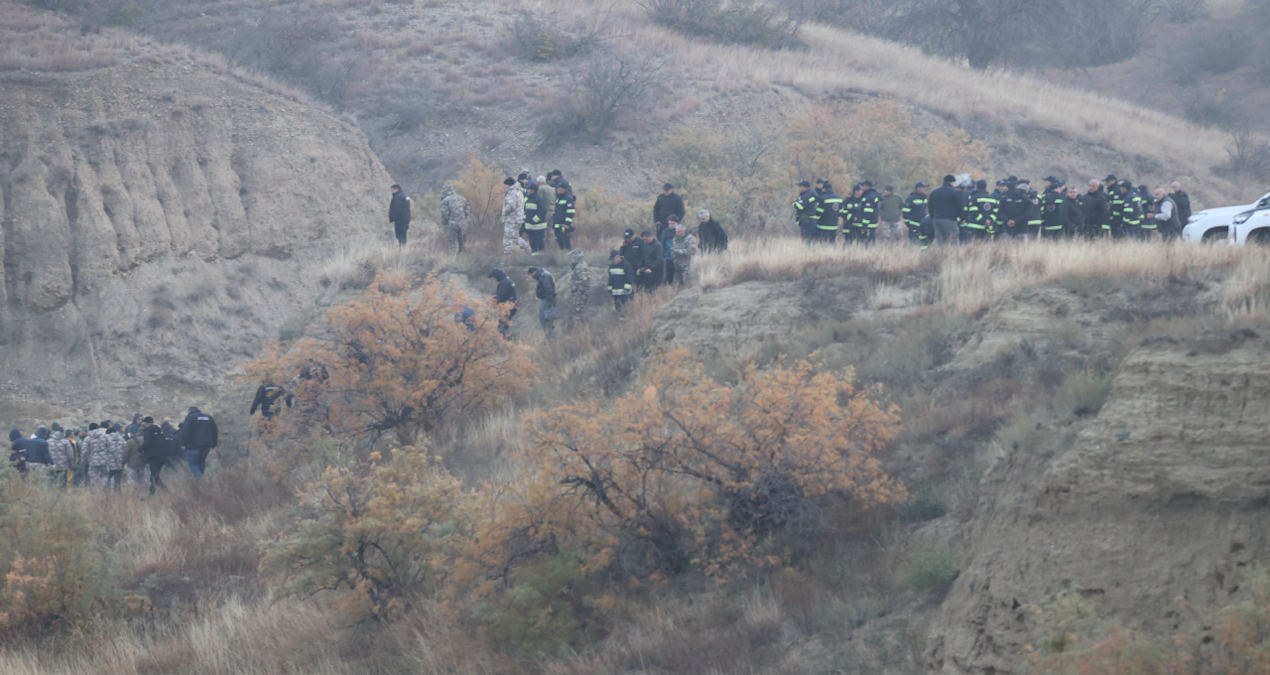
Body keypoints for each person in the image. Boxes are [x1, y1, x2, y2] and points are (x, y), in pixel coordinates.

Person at [179, 407, 219, 481]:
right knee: (201, 462)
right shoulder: (209, 418)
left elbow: (185, 431)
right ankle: (203, 478)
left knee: (192, 462)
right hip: (206, 445)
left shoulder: (190, 418)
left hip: (193, 445)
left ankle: (200, 480)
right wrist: (214, 444)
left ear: (189, 411)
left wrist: (183, 443)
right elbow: (215, 431)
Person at [928, 175, 964, 247]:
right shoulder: (954, 192)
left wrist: (933, 217)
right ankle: (955, 256)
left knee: (939, 241)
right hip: (949, 220)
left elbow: (930, 206)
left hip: (936, 219)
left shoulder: (935, 192)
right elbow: (960, 207)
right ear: (953, 182)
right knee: (953, 240)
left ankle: (938, 256)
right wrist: (962, 218)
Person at [501, 177, 531, 255]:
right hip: (518, 219)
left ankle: (507, 255)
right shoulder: (519, 192)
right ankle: (527, 248)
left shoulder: (512, 192)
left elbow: (511, 206)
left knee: (508, 237)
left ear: (508, 185)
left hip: (512, 219)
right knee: (515, 237)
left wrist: (504, 212)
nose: (503, 187)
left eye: (504, 185)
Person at [140, 417, 170, 494]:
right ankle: (152, 492)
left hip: (153, 457)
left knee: (154, 476)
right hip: (163, 456)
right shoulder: (160, 431)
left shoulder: (148, 431)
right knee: (155, 475)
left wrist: (140, 449)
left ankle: (166, 491)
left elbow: (147, 443)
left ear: (145, 423)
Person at [439, 183, 470, 253]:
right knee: (462, 242)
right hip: (462, 224)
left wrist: (445, 222)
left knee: (452, 243)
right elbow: (467, 211)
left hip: (451, 224)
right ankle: (462, 259)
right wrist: (463, 220)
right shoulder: (462, 199)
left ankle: (452, 259)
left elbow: (444, 213)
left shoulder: (446, 200)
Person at [529, 266, 557, 337]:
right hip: (549, 299)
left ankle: (549, 336)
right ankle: (551, 336)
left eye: (531, 275)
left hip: (548, 299)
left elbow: (548, 289)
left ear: (534, 272)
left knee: (543, 318)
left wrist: (548, 303)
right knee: (549, 318)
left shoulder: (544, 276)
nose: (532, 277)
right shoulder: (543, 275)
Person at [488, 269, 517, 339]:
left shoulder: (504, 283)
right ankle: (508, 342)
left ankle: (507, 344)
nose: (494, 279)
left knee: (501, 328)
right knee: (504, 326)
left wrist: (492, 301)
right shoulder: (507, 280)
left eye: (494, 277)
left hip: (507, 308)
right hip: (511, 306)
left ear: (497, 276)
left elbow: (500, 296)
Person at [523, 182, 550, 255]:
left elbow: (543, 211)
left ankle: (542, 257)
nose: (527, 191)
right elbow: (525, 210)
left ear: (533, 190)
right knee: (532, 242)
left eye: (528, 189)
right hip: (529, 226)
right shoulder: (527, 199)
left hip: (539, 226)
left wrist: (534, 220)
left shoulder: (539, 199)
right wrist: (525, 220)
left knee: (539, 242)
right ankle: (534, 256)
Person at [606, 250, 635, 316]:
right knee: (618, 308)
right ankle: (620, 321)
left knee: (625, 309)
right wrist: (610, 288)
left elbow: (630, 278)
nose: (612, 261)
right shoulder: (611, 266)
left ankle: (625, 321)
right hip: (615, 292)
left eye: (613, 259)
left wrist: (626, 289)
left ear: (618, 257)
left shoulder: (627, 265)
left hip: (625, 293)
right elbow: (610, 279)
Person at [567, 248, 591, 324]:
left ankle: (580, 330)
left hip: (580, 293)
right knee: (578, 311)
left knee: (578, 312)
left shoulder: (580, 266)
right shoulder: (579, 265)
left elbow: (584, 280)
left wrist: (579, 292)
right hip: (579, 293)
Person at [670, 222, 698, 286]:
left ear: (684, 231)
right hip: (677, 265)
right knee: (677, 284)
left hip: (686, 265)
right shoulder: (675, 238)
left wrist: (679, 251)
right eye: (676, 231)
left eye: (679, 232)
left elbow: (692, 251)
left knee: (687, 283)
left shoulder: (690, 239)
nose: (677, 233)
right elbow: (673, 248)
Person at [552, 180, 577, 251]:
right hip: (557, 225)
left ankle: (568, 258)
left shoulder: (568, 198)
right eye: (557, 188)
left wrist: (567, 224)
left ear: (564, 189)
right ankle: (564, 255)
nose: (557, 189)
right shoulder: (559, 199)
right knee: (560, 243)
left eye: (559, 188)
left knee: (566, 243)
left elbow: (570, 212)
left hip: (564, 226)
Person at [83, 423, 109, 488]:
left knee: (93, 477)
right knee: (105, 475)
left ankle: (95, 492)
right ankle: (105, 488)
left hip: (93, 460)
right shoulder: (104, 436)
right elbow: (110, 447)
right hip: (104, 460)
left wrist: (83, 461)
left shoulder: (87, 439)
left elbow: (84, 451)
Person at [104, 423, 125, 491]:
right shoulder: (121, 439)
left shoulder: (106, 439)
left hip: (108, 463)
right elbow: (126, 449)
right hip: (119, 463)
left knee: (107, 479)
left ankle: (107, 493)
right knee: (117, 480)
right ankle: (117, 494)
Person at [660, 216, 679, 286]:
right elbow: (662, 243)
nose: (671, 225)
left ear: (677, 223)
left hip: (680, 257)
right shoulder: (665, 231)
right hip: (669, 256)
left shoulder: (681, 230)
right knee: (669, 273)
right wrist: (663, 254)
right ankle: (668, 287)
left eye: (673, 223)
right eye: (669, 223)